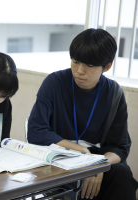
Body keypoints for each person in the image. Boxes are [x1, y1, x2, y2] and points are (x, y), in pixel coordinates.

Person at [27, 28, 138, 200]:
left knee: (122, 175)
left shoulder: (114, 93)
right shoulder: (54, 83)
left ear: (107, 66)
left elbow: (120, 147)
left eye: (90, 65)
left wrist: (96, 165)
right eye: (75, 62)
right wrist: (83, 153)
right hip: (58, 156)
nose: (79, 70)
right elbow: (36, 132)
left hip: (96, 158)